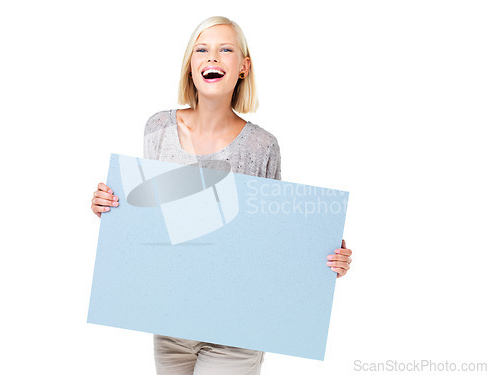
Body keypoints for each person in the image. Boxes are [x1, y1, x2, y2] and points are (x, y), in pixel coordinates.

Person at [90, 15, 353, 375]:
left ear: (243, 67)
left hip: (237, 329)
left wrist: (321, 258)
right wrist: (110, 206)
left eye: (225, 49)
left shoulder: (262, 146)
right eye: (202, 49)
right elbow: (149, 215)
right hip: (170, 323)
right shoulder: (158, 128)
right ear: (191, 65)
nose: (212, 57)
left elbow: (275, 236)